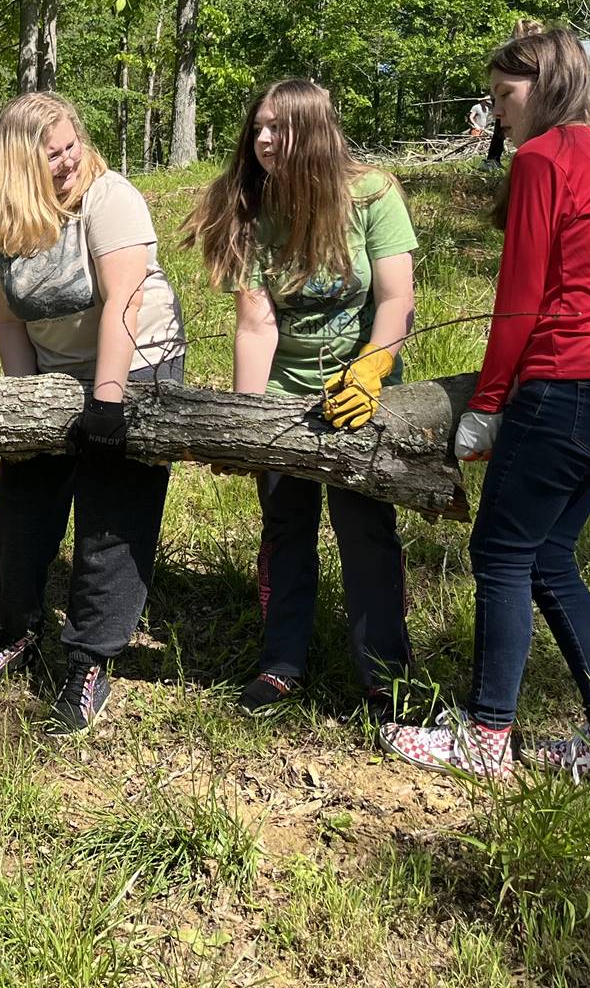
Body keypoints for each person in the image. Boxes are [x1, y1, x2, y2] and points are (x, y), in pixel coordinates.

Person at [381, 29, 590, 791]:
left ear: (548, 84)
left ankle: (487, 737)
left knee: (499, 556)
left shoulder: (545, 158)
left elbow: (520, 301)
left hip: (563, 391)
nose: (496, 113)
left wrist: (489, 405)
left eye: (505, 97)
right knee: (549, 562)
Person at [0, 92, 186, 735]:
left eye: (70, 145)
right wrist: (21, 409)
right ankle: (18, 631)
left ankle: (89, 661)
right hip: (54, 374)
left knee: (112, 514)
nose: (66, 160)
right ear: (18, 166)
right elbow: (9, 320)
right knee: (22, 508)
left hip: (137, 361)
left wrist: (107, 405)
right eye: (50, 154)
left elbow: (124, 305)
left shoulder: (110, 199)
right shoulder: (2, 223)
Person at [183, 80, 417, 719]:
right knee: (286, 527)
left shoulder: (374, 194)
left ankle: (386, 676)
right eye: (258, 127)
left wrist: (370, 370)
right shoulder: (251, 209)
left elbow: (395, 300)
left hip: (364, 395)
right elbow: (258, 324)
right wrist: (245, 422)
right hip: (285, 397)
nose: (262, 140)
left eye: (278, 129)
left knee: (366, 530)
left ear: (314, 132)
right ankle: (282, 661)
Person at [481, 19, 545, 173]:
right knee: (503, 125)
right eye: (538, 34)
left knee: (503, 125)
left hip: (502, 92)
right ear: (530, 32)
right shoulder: (520, 51)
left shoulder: (519, 49)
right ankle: (493, 159)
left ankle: (493, 158)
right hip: (505, 91)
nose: (542, 38)